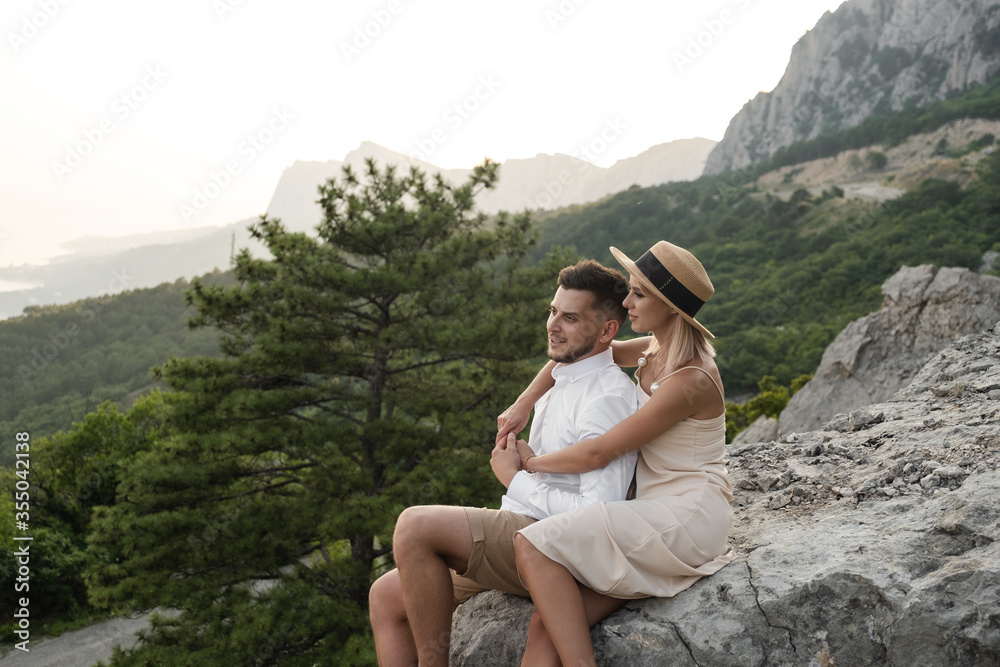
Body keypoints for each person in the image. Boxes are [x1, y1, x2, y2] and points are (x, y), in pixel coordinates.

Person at [368, 259, 641, 667]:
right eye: (553, 312)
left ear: (607, 331)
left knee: (415, 526)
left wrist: (515, 478)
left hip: (555, 548)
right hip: (520, 532)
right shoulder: (564, 376)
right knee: (386, 596)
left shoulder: (606, 399)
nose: (553, 325)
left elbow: (598, 518)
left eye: (569, 318)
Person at [493, 240, 734, 667]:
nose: (625, 302)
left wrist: (527, 466)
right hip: (648, 508)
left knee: (533, 543)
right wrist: (523, 403)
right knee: (546, 625)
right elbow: (576, 356)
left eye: (639, 294)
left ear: (671, 308)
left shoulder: (691, 377)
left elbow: (600, 452)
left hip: (686, 513)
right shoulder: (654, 349)